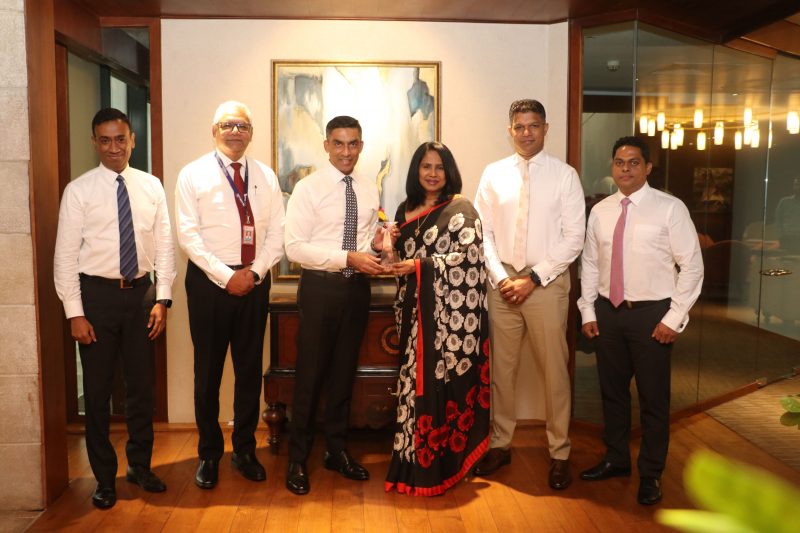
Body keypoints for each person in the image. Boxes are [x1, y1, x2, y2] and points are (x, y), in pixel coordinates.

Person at [54, 108, 176, 509]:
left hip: (141, 296)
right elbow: (65, 257)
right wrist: (75, 313)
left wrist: (163, 299)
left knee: (141, 390)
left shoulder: (151, 186)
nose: (113, 147)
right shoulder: (78, 191)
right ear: (94, 142)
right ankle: (104, 479)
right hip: (96, 298)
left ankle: (140, 466)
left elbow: (165, 246)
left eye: (120, 139)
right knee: (98, 391)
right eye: (104, 140)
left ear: (132, 140)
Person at [577, 136, 703, 505]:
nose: (626, 169)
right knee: (612, 393)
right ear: (612, 167)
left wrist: (674, 319)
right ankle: (616, 459)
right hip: (608, 313)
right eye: (619, 162)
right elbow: (590, 265)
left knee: (653, 399)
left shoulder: (670, 208)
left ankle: (651, 473)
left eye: (634, 162)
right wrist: (588, 310)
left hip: (652, 315)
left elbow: (692, 266)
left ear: (648, 167)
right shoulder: (601, 212)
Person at [473, 99, 585, 490]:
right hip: (502, 283)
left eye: (533, 125)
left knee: (554, 371)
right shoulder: (493, 174)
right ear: (510, 131)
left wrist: (533, 278)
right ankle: (500, 444)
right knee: (501, 371)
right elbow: (482, 233)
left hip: (546, 284)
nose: (526, 133)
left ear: (545, 128)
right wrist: (501, 276)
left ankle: (559, 452)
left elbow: (574, 237)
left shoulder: (565, 176)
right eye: (519, 126)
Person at [175, 101, 285, 489]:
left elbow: (277, 233)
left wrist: (253, 273)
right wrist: (226, 277)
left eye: (242, 125)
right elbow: (188, 236)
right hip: (209, 283)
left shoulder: (266, 176)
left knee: (249, 371)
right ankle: (209, 454)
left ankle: (244, 450)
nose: (235, 131)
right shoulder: (193, 174)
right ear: (214, 130)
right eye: (227, 125)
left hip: (254, 281)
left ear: (251, 132)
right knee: (207, 373)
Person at [283, 115, 386, 495]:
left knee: (344, 374)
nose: (346, 151)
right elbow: (294, 248)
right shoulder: (307, 189)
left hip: (356, 289)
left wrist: (376, 247)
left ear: (361, 146)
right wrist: (348, 257)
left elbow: (364, 245)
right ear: (326, 145)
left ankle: (336, 451)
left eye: (353, 143)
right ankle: (297, 459)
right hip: (319, 289)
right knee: (310, 376)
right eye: (339, 143)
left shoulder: (369, 188)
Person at [384, 142, 491, 496]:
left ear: (449, 172)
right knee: (411, 385)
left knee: (436, 386)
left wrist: (419, 266)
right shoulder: (404, 210)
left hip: (448, 321)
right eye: (425, 166)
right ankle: (410, 463)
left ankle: (440, 467)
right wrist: (388, 245)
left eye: (439, 167)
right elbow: (396, 260)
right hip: (413, 313)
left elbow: (470, 258)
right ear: (416, 170)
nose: (432, 174)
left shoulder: (461, 210)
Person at [775, 177, 800, 252]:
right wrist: (780, 236)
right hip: (787, 238)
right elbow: (777, 220)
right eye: (796, 184)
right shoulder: (784, 202)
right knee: (784, 258)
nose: (798, 187)